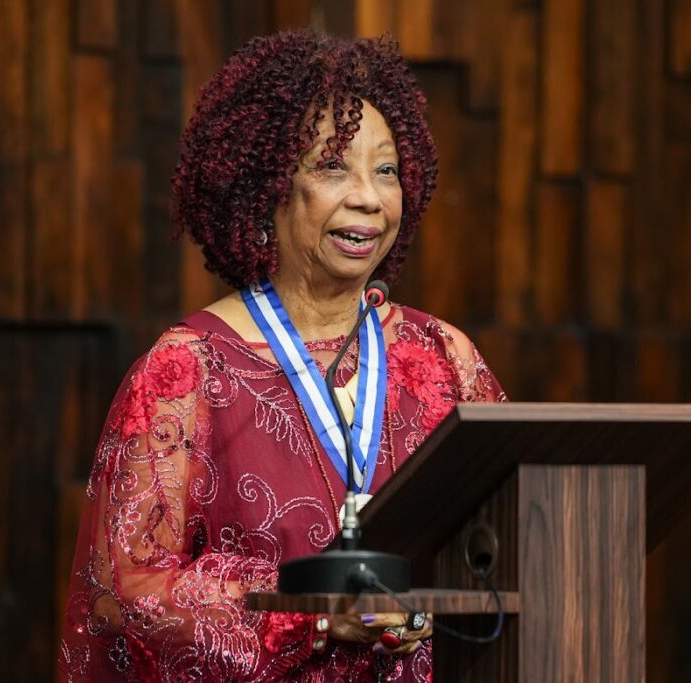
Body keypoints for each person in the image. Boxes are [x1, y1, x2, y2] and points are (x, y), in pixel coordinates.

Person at [59, 30, 505, 682]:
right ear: (263, 190)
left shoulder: (443, 357)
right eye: (332, 167)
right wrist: (312, 612)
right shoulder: (187, 371)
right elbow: (128, 591)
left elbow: (515, 533)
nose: (369, 198)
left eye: (385, 170)